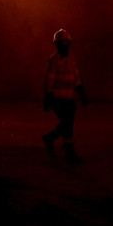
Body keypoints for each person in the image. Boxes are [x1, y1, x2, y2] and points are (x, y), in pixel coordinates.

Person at [42, 28, 88, 164]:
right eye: (61, 44)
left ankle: (50, 138)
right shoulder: (54, 61)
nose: (64, 46)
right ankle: (69, 152)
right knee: (68, 124)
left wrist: (82, 94)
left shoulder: (72, 60)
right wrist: (47, 98)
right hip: (57, 99)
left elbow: (77, 79)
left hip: (69, 99)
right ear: (56, 45)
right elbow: (49, 80)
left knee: (67, 123)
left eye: (66, 43)